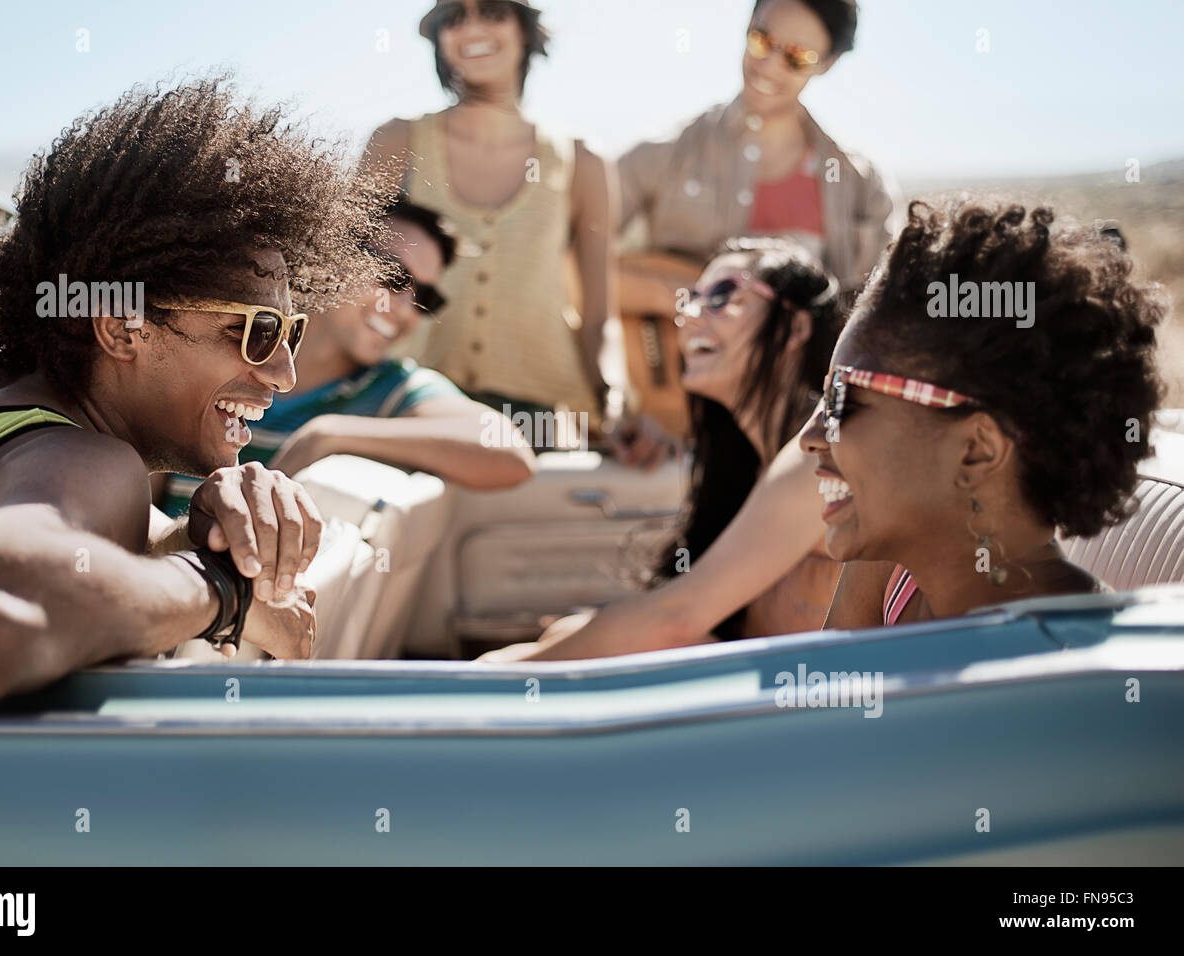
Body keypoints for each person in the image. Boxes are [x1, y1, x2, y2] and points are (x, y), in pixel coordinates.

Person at [0, 76, 387, 699]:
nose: (283, 371)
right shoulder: (90, 463)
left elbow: (34, 522)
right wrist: (220, 594)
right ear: (123, 328)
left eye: (290, 331)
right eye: (254, 330)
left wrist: (182, 532)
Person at [802, 195, 1165, 627]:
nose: (810, 435)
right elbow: (821, 696)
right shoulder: (891, 562)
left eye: (843, 397)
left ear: (977, 448)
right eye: (822, 396)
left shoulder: (1070, 678)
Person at [480, 238, 844, 661]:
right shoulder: (755, 460)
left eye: (723, 296)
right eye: (690, 299)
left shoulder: (817, 454)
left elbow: (677, 621)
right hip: (776, 694)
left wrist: (495, 671)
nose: (687, 316)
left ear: (795, 327)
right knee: (570, 632)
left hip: (816, 707)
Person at [362, 0, 675, 466]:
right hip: (416, 411)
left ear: (526, 29)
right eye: (454, 17)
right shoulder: (396, 142)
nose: (472, 29)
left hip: (543, 421)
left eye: (492, 11)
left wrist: (616, 407)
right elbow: (343, 289)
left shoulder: (582, 162)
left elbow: (597, 317)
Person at [615, 0, 897, 432]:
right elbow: (566, 265)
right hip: (676, 430)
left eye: (797, 57)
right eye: (761, 40)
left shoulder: (861, 187)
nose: (768, 65)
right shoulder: (664, 156)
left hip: (798, 435)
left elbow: (880, 321)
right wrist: (695, 298)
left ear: (829, 63)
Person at [155, 197, 535, 517]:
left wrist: (329, 435)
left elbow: (508, 452)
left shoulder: (393, 388)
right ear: (332, 258)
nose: (404, 309)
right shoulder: (214, 351)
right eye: (394, 276)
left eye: (426, 298)